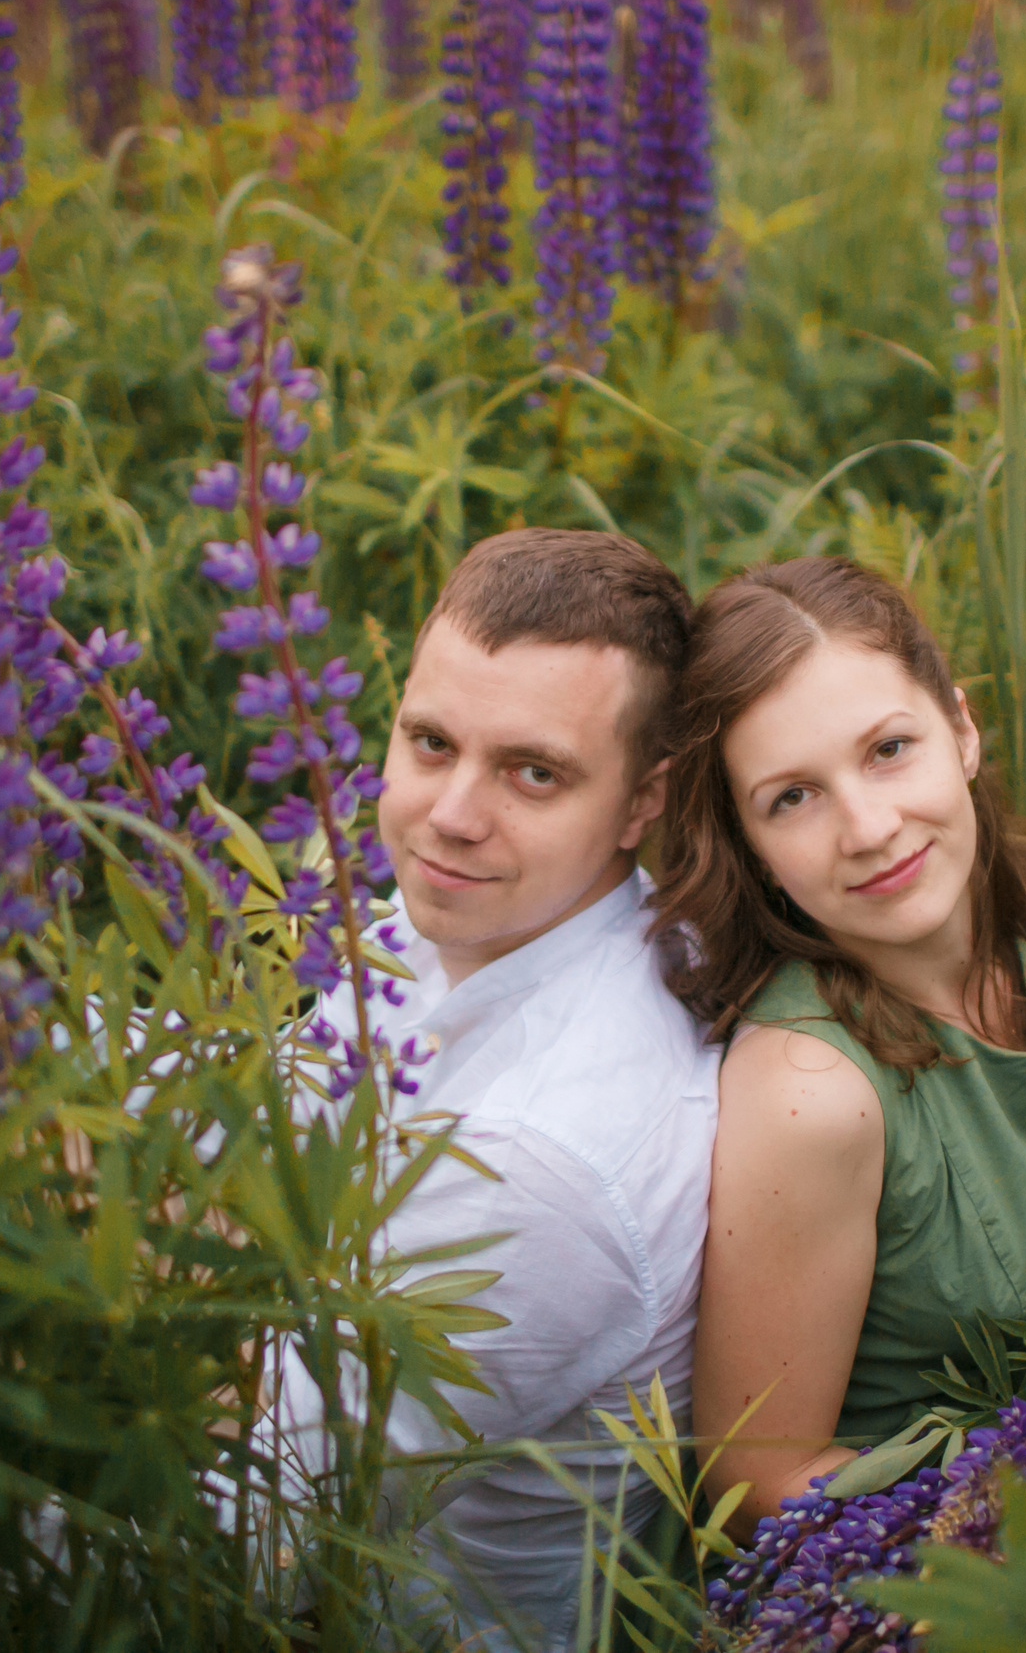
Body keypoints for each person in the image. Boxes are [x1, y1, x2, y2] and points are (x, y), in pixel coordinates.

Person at [648, 556, 1026, 1523]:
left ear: (962, 728)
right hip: (917, 1566)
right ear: (752, 846)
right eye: (792, 797)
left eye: (889, 748)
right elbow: (760, 1475)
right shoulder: (811, 1093)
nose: (870, 826)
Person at [274, 528, 719, 1650]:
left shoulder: (547, 1156)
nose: (451, 814)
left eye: (534, 772)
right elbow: (273, 1106)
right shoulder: (484, 915)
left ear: (639, 803)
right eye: (430, 742)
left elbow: (242, 1528)